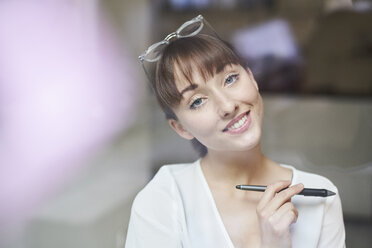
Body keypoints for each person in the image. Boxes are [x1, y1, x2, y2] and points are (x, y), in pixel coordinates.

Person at [126, 15, 345, 248]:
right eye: (197, 101)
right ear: (181, 128)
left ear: (251, 78)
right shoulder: (163, 199)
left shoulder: (321, 198)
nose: (228, 106)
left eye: (230, 79)